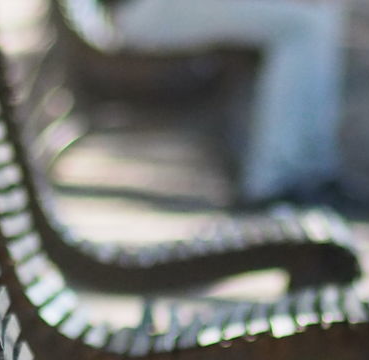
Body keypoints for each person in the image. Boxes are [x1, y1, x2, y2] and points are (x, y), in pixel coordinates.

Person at [110, 0, 348, 207]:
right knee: (301, 24)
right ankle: (271, 184)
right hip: (141, 11)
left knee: (320, 11)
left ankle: (312, 171)